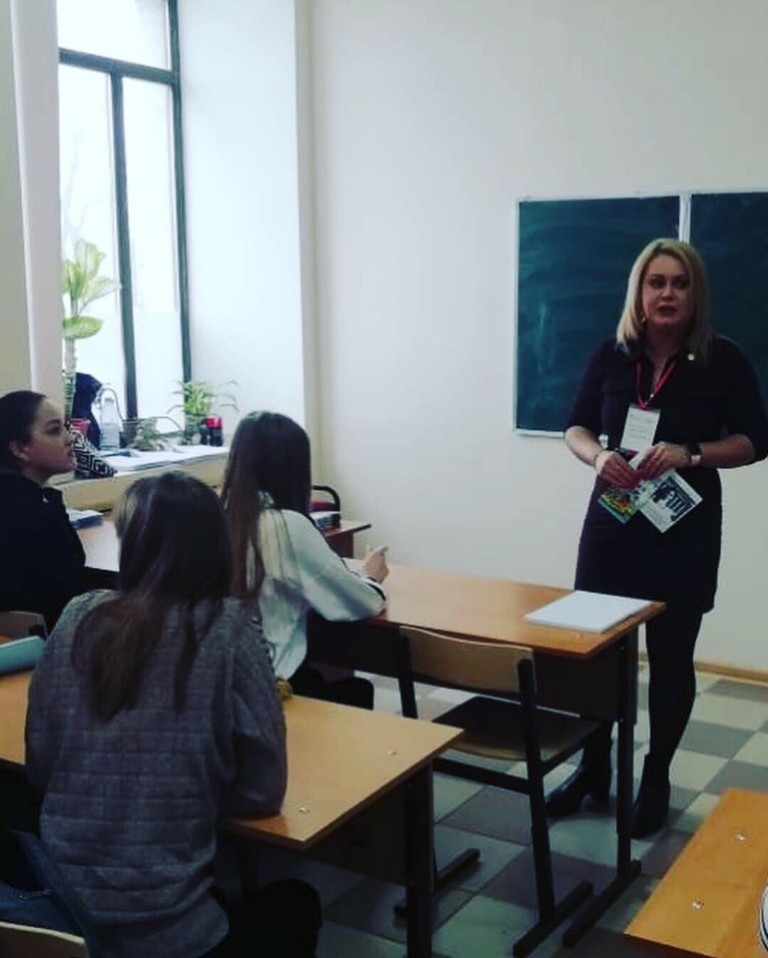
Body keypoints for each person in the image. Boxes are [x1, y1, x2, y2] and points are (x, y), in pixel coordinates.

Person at [25, 472, 320, 957]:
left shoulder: (78, 614)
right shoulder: (228, 627)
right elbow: (262, 792)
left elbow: (41, 763)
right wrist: (189, 789)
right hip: (173, 936)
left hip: (59, 918)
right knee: (297, 901)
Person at [547, 238, 768, 838]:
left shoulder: (723, 359)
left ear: (696, 294)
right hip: (613, 519)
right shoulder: (612, 355)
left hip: (683, 526)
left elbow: (754, 441)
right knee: (596, 653)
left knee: (670, 657)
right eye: (656, 282)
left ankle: (656, 776)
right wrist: (598, 457)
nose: (667, 293)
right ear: (639, 293)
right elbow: (574, 427)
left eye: (679, 283)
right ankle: (593, 767)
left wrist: (689, 453)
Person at [221, 412, 388, 707]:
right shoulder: (286, 527)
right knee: (357, 690)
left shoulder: (214, 517)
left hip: (224, 683)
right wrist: (371, 576)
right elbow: (361, 602)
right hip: (274, 686)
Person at [0, 390, 85, 630]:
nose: (70, 438)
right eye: (54, 430)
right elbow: (71, 579)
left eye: (66, 427)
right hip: (42, 640)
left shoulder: (24, 498)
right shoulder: (33, 512)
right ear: (20, 449)